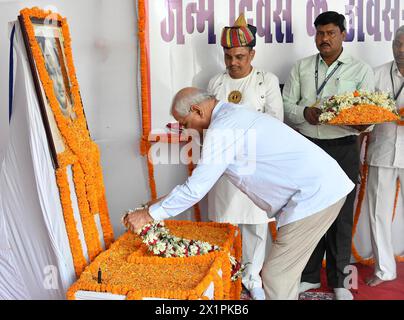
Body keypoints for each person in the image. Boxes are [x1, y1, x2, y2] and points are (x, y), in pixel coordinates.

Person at [124, 87, 354, 300]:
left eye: (185, 123)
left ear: (197, 110)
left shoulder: (223, 128)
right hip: (318, 189)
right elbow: (200, 182)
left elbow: (196, 189)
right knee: (282, 275)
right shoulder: (230, 118)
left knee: (275, 276)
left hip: (314, 194)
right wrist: (154, 206)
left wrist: (149, 215)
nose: (187, 129)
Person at [282, 11, 375, 300]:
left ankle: (339, 282)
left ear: (343, 34)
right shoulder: (301, 67)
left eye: (331, 33)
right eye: (320, 33)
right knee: (307, 213)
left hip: (344, 147)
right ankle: (309, 276)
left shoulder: (361, 70)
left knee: (341, 216)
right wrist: (306, 113)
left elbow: (368, 117)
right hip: (308, 148)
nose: (324, 39)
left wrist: (360, 121)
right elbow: (286, 106)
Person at [206, 13, 283, 300]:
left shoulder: (266, 81)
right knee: (224, 225)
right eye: (228, 57)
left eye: (239, 56)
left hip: (256, 165)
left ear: (252, 54)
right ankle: (225, 275)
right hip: (224, 167)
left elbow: (276, 122)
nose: (233, 63)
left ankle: (252, 277)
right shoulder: (215, 83)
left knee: (255, 225)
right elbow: (209, 123)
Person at [364, 25, 404, 287]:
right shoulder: (376, 75)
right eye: (396, 44)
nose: (400, 50)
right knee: (378, 211)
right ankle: (384, 269)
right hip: (382, 150)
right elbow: (364, 117)